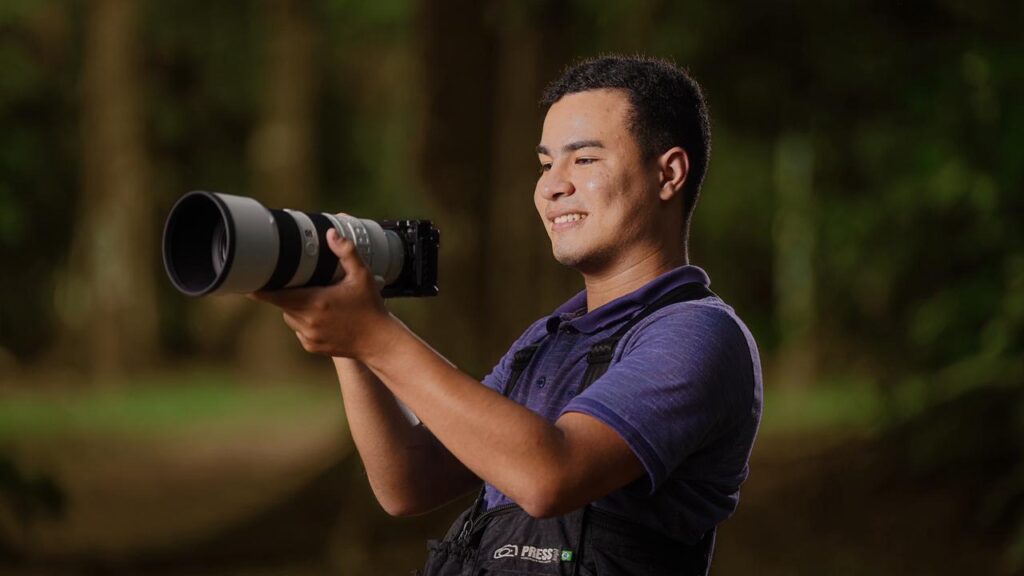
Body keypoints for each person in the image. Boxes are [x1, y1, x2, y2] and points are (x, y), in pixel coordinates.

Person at [252, 55, 762, 576]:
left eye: (583, 160)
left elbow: (550, 476)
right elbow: (407, 481)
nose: (551, 186)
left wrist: (377, 336)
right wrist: (349, 341)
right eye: (545, 165)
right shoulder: (548, 340)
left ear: (668, 173)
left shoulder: (698, 334)